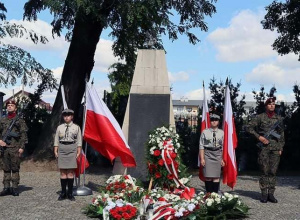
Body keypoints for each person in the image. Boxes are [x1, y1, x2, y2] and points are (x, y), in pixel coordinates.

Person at [248, 97, 285, 203]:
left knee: (273, 172)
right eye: (270, 104)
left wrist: (281, 147)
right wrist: (259, 137)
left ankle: (271, 194)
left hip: (275, 149)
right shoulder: (260, 117)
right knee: (264, 171)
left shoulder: (278, 118)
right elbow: (249, 128)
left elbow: (281, 134)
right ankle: (264, 194)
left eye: (273, 104)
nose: (272, 105)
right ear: (266, 106)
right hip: (264, 148)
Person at [0, 100, 28, 196]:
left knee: (15, 168)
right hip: (4, 149)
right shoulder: (2, 120)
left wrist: (21, 147)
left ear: (15, 108)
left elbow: (23, 135)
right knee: (6, 168)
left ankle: (15, 188)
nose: (10, 107)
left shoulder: (19, 120)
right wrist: (0, 141)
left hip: (15, 148)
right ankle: (6, 187)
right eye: (8, 105)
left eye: (12, 105)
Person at [54, 109, 82, 201]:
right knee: (62, 172)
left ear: (72, 116)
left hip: (72, 149)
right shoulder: (60, 127)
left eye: (68, 115)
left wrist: (78, 151)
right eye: (65, 115)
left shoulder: (76, 127)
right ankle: (63, 193)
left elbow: (79, 141)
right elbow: (56, 140)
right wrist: (55, 150)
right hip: (62, 149)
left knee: (70, 172)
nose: (66, 117)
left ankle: (70, 193)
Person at [199, 114, 225, 193]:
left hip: (218, 154)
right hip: (208, 154)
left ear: (218, 122)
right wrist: (202, 158)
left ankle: (215, 195)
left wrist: (222, 159)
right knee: (208, 176)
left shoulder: (222, 133)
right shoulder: (205, 132)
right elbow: (201, 146)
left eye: (216, 120)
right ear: (210, 122)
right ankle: (208, 194)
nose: (214, 122)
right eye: (212, 120)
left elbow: (223, 146)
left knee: (216, 176)